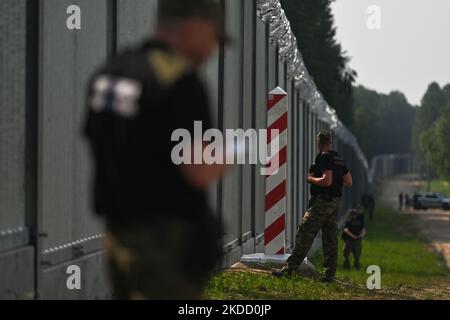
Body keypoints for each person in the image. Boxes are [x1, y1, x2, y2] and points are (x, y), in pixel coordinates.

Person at [83, 0, 230, 300]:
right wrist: (230, 154)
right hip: (166, 247)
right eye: (214, 36)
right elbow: (199, 171)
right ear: (194, 26)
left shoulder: (112, 73)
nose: (214, 48)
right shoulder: (181, 82)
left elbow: (99, 139)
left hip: (119, 239)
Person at [273, 132, 353, 283]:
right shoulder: (339, 158)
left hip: (322, 202)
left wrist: (310, 178)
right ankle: (329, 276)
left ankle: (289, 270)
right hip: (334, 202)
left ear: (319, 143)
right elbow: (349, 181)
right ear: (330, 142)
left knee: (305, 232)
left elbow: (326, 180)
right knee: (330, 238)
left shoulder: (323, 157)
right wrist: (336, 183)